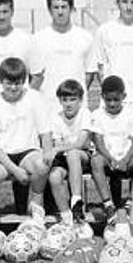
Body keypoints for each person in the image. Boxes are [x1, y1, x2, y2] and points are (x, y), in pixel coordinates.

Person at [0, 58, 52, 229]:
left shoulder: (34, 98)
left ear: (24, 81)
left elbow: (45, 132)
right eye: (8, 83)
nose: (13, 87)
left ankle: (35, 209)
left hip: (27, 152)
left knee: (42, 165)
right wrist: (15, 170)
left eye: (18, 83)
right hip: (2, 156)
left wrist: (48, 154)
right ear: (1, 81)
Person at [89, 75, 133, 222]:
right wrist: (111, 159)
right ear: (102, 97)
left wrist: (124, 160)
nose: (112, 103)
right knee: (96, 161)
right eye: (108, 100)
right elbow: (98, 141)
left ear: (124, 96)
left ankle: (132, 203)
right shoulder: (97, 114)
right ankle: (108, 205)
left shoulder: (132, 114)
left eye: (116, 99)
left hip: (127, 158)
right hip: (107, 158)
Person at [32, 0, 96, 107]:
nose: (60, 12)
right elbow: (36, 76)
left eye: (64, 7)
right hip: (48, 107)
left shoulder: (85, 38)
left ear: (71, 9)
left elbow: (89, 74)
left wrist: (74, 97)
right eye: (56, 7)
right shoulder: (38, 39)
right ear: (50, 10)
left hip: (77, 109)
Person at [47, 79, 92, 226]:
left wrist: (57, 148)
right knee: (54, 176)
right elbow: (57, 143)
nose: (68, 103)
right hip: (64, 159)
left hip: (84, 157)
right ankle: (66, 216)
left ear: (80, 101)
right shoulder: (56, 117)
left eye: (73, 99)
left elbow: (81, 143)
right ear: (60, 101)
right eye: (65, 100)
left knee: (73, 153)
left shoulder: (85, 113)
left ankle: (76, 201)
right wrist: (58, 148)